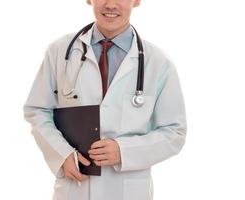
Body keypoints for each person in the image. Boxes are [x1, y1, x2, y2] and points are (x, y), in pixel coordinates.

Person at [23, 0, 187, 199]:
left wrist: (124, 151)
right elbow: (37, 110)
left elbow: (174, 132)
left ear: (137, 1)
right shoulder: (59, 51)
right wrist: (61, 154)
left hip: (128, 190)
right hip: (75, 187)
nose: (111, 4)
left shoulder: (159, 63)